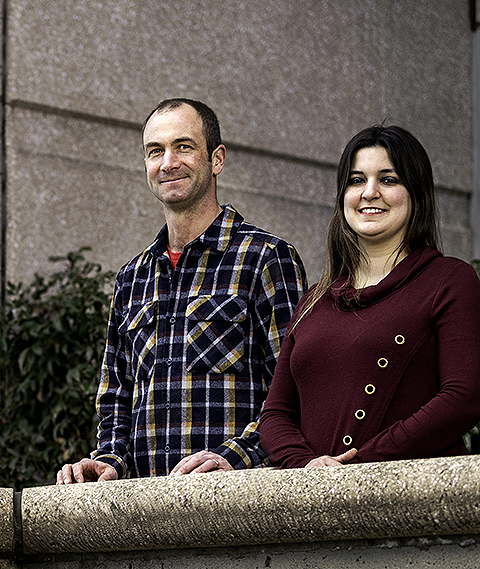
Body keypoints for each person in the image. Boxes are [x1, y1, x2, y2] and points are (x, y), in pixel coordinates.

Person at [56, 99, 308, 484]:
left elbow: (295, 391)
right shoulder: (131, 278)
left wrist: (234, 459)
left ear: (217, 159)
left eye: (184, 147)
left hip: (235, 503)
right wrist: (109, 460)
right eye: (155, 151)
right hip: (146, 515)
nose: (168, 162)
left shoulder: (266, 259)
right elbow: (116, 399)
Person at [258, 125, 480, 468]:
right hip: (311, 502)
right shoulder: (314, 299)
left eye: (388, 179)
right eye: (356, 180)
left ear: (417, 193)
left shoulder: (449, 281)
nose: (369, 192)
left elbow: (464, 398)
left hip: (407, 499)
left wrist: (360, 465)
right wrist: (307, 467)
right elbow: (276, 413)